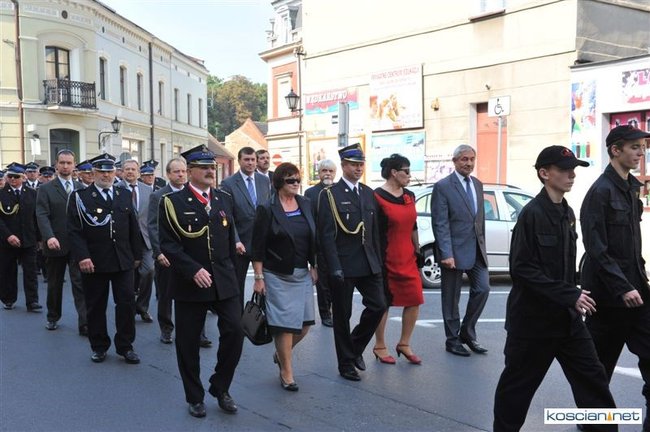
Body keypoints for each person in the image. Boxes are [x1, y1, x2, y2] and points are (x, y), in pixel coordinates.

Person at [493, 146, 617, 432]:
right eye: (564, 170)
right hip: (533, 323)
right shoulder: (532, 214)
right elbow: (522, 269)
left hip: (567, 321)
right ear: (545, 173)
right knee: (517, 390)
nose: (571, 175)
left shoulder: (567, 213)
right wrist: (569, 294)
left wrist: (581, 289)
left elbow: (564, 267)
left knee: (594, 381)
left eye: (573, 169)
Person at [159, 145, 244, 418]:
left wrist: (233, 275)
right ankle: (194, 397)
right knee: (188, 342)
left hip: (223, 280)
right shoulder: (172, 202)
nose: (210, 171)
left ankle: (221, 386)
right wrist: (192, 270)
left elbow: (229, 240)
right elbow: (168, 244)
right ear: (190, 171)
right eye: (204, 167)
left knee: (235, 331)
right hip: (190, 283)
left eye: (212, 167)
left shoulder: (224, 199)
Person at [581, 124, 650, 430]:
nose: (641, 153)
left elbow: (632, 248)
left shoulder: (632, 188)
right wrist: (622, 287)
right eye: (635, 147)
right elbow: (597, 249)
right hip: (608, 299)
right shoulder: (599, 192)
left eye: (642, 148)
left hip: (637, 293)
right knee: (598, 371)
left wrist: (640, 282)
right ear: (615, 150)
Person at [317, 143, 387, 381]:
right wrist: (333, 267)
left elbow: (374, 231)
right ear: (344, 165)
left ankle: (354, 347)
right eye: (354, 165)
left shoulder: (367, 193)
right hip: (344, 264)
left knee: (378, 305)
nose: (358, 169)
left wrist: (379, 262)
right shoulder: (330, 195)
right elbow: (326, 236)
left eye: (361, 165)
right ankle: (346, 363)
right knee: (342, 316)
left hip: (368, 262)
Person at [67, 153, 142, 365]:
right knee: (96, 305)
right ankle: (99, 346)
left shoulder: (123, 194)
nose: (106, 175)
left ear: (115, 173)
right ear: (94, 173)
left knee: (126, 304)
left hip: (122, 260)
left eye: (110, 171)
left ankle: (126, 346)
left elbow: (133, 226)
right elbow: (74, 231)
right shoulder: (80, 197)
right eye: (101, 172)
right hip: (94, 261)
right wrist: (83, 257)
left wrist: (137, 255)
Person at [252, 162, 318, 391]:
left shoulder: (305, 203)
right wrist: (258, 277)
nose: (296, 183)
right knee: (284, 326)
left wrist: (314, 264)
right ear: (279, 182)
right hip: (276, 274)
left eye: (298, 179)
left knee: (305, 324)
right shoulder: (267, 208)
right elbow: (257, 246)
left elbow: (313, 237)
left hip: (301, 272)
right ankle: (286, 371)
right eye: (291, 180)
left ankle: (282, 353)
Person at [430, 144, 490, 356]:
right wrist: (446, 253)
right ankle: (452, 339)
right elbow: (440, 222)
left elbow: (479, 220)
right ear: (455, 161)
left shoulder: (478, 184)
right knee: (451, 298)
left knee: (483, 289)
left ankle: (467, 332)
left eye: (472, 159)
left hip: (476, 250)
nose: (469, 163)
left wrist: (483, 245)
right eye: (464, 159)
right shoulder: (443, 186)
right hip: (453, 252)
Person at [148, 158, 212, 347]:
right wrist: (158, 252)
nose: (181, 175)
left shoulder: (195, 193)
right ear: (168, 174)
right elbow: (153, 226)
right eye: (176, 172)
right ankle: (166, 329)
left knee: (197, 293)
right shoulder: (159, 196)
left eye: (183, 171)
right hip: (167, 255)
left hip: (191, 255)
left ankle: (200, 333)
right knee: (166, 294)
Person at [372, 154, 424, 365]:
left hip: (408, 256)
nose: (410, 175)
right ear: (394, 173)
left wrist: (417, 250)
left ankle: (404, 343)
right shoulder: (376, 196)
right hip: (386, 257)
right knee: (383, 303)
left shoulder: (409, 195)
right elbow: (373, 231)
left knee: (415, 298)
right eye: (407, 171)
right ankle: (379, 345)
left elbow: (413, 225)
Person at [36, 149, 87, 334]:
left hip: (77, 245)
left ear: (74, 165)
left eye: (69, 163)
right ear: (56, 165)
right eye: (62, 163)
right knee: (55, 284)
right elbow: (42, 215)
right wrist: (49, 236)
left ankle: (84, 322)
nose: (65, 166)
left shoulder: (82, 188)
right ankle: (53, 317)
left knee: (80, 283)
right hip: (55, 243)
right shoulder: (45, 189)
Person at [220, 146, 271, 306]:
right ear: (239, 161)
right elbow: (227, 216)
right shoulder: (228, 183)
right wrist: (235, 240)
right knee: (237, 286)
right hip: (240, 244)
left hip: (262, 242)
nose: (250, 163)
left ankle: (263, 316)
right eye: (246, 160)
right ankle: (238, 318)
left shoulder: (264, 180)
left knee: (265, 285)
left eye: (253, 160)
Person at [0, 163, 42, 311]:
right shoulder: (1, 194)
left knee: (31, 272)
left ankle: (32, 301)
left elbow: (36, 217)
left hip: (28, 239)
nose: (13, 179)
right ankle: (8, 299)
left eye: (16, 177)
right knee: (8, 271)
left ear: (23, 177)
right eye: (10, 176)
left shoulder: (32, 193)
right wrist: (8, 236)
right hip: (7, 240)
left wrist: (39, 238)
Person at [118, 160, 155, 323]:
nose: (130, 172)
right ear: (122, 172)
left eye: (133, 169)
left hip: (145, 238)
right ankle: (128, 308)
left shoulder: (148, 190)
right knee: (127, 276)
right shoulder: (116, 189)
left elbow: (152, 215)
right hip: (124, 240)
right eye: (127, 169)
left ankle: (142, 307)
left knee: (149, 270)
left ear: (138, 172)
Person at [304, 159, 337, 327]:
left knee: (338, 281)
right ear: (319, 173)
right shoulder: (311, 193)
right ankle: (325, 314)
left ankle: (337, 311)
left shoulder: (339, 190)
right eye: (324, 170)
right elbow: (309, 220)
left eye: (331, 171)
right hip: (320, 245)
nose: (328, 174)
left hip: (339, 245)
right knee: (323, 283)